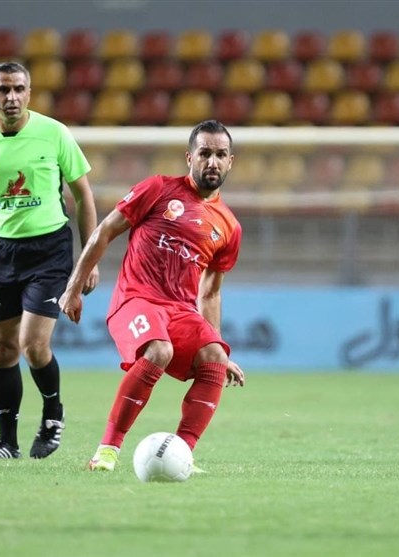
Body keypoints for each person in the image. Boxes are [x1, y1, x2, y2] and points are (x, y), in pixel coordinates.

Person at [59, 119, 246, 472]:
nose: (213, 162)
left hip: (179, 311)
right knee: (159, 350)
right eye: (204, 153)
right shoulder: (158, 189)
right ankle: (107, 450)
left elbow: (210, 292)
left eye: (221, 155)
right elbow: (104, 232)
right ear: (189, 157)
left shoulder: (229, 226)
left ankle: (182, 454)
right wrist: (74, 287)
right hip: (135, 299)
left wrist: (216, 344)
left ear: (230, 161)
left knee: (216, 357)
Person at [0, 62, 99, 460]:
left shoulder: (54, 133)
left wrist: (89, 258)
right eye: (4, 90)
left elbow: (83, 195)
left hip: (49, 250)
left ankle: (53, 413)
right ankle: (7, 442)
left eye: (18, 89)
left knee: (33, 344)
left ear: (29, 93)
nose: (11, 97)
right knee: (3, 350)